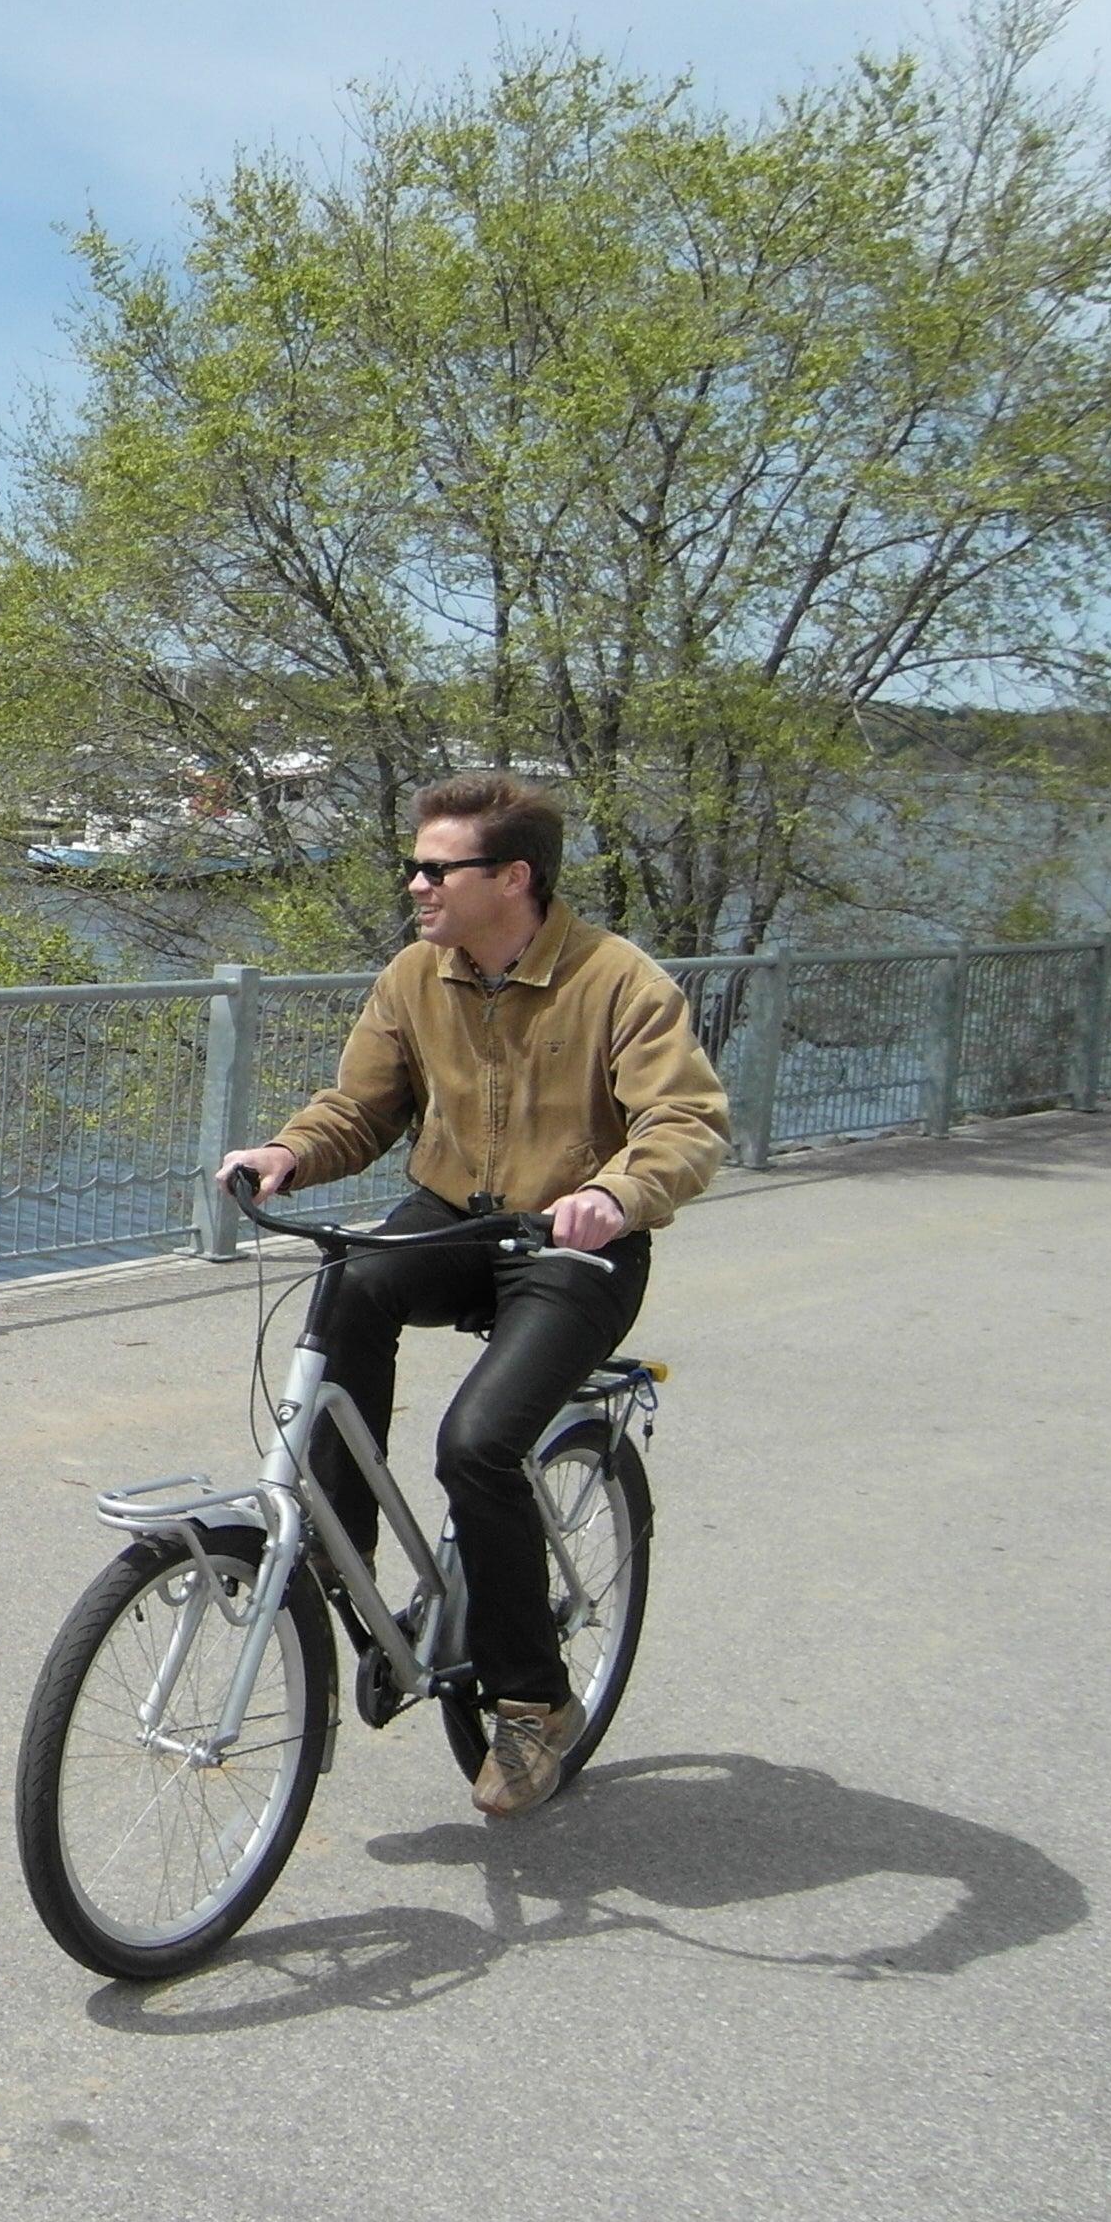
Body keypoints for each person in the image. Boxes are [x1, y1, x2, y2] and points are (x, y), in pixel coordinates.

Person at [216, 769, 727, 1817]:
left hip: (572, 1243)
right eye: (415, 865)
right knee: (351, 1280)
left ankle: (535, 1704)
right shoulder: (417, 975)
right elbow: (356, 1111)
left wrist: (619, 1194)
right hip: (456, 1214)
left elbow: (686, 1124)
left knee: (478, 1446)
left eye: (437, 868)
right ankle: (334, 1552)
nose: (415, 884)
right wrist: (285, 1154)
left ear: (514, 879)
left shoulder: (619, 980)